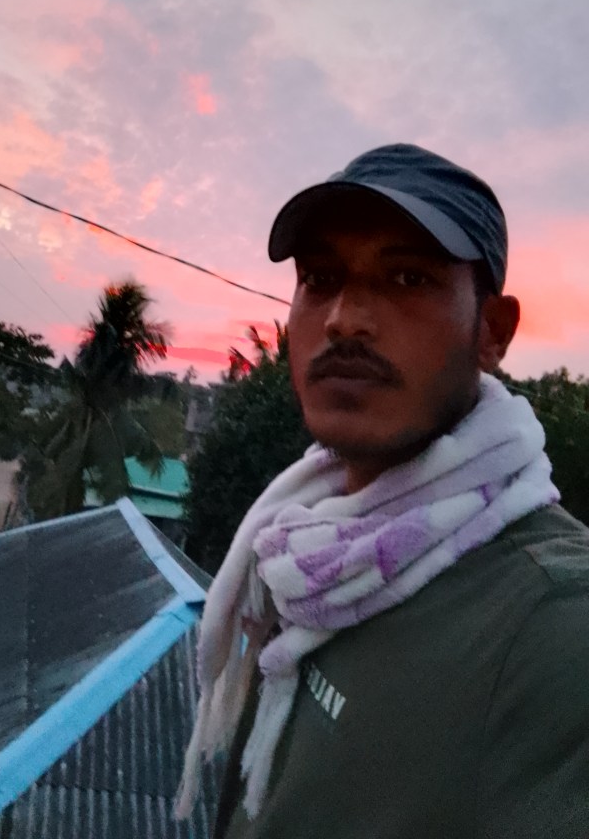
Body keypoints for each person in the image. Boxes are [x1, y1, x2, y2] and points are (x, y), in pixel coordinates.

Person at [177, 144, 589, 838]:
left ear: (492, 332)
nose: (344, 318)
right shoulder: (299, 553)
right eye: (320, 277)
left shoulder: (554, 628)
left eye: (406, 278)